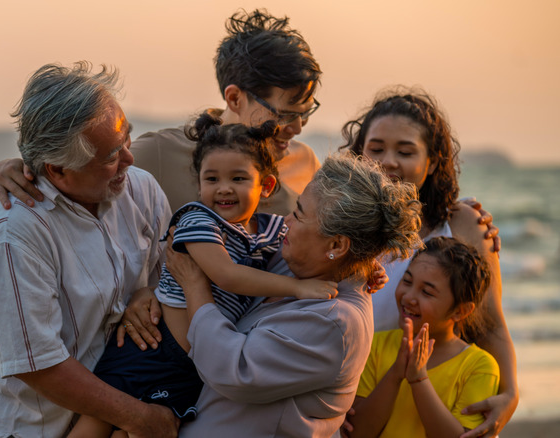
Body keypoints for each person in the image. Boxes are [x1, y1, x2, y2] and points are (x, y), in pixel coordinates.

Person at [69, 114, 338, 438]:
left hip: (191, 368)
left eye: (238, 179)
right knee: (97, 423)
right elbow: (226, 275)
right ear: (199, 184)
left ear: (265, 186)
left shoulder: (270, 229)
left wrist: (365, 268)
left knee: (135, 432)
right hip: (154, 347)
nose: (223, 189)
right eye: (211, 179)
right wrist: (298, 288)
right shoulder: (198, 221)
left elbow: (316, 239)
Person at [0, 62, 178, 437]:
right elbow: (37, 364)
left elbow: (174, 279)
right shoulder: (14, 233)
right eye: (112, 155)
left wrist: (148, 293)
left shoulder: (141, 189)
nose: (129, 159)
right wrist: (140, 418)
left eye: (128, 138)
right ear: (58, 170)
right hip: (35, 428)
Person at [162, 153, 423, 437]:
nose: (285, 220)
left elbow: (234, 370)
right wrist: (151, 296)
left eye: (298, 214)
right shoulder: (301, 263)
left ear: (336, 244)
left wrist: (193, 285)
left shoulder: (336, 321)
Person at [0, 9, 323, 218]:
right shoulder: (159, 153)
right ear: (234, 97)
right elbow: (76, 175)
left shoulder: (305, 163)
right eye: (283, 116)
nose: (295, 128)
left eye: (304, 114)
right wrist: (15, 169)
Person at [339, 89, 517, 437]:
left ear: (433, 161)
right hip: (357, 412)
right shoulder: (340, 225)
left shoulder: (463, 223)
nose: (388, 161)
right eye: (376, 149)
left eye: (405, 151)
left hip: (429, 409)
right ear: (360, 155)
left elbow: (491, 323)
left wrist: (509, 395)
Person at [351, 236, 499, 437]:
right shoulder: (374, 345)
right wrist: (395, 373)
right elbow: (357, 432)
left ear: (461, 311)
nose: (409, 297)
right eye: (407, 281)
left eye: (427, 292)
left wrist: (419, 378)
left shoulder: (479, 367)